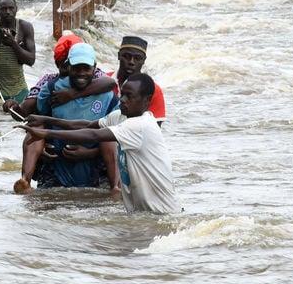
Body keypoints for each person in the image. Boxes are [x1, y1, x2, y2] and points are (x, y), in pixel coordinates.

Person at [21, 73, 178, 214]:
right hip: (142, 214)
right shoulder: (120, 116)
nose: (122, 100)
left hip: (162, 214)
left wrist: (46, 132)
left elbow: (93, 135)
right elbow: (87, 125)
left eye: (129, 96)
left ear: (147, 100)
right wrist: (46, 120)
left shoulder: (140, 125)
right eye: (122, 94)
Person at [12, 43, 120, 194]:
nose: (81, 73)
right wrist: (42, 146)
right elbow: (40, 118)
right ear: (68, 66)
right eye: (76, 68)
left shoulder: (108, 96)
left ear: (94, 67)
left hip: (94, 161)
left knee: (110, 133)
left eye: (86, 68)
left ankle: (115, 187)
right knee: (36, 128)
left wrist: (91, 152)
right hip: (58, 159)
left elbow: (121, 134)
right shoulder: (51, 88)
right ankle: (25, 181)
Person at [115, 35, 167, 124]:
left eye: (137, 58)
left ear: (143, 60)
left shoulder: (153, 90)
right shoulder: (104, 80)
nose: (131, 62)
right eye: (126, 56)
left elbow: (155, 130)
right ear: (119, 55)